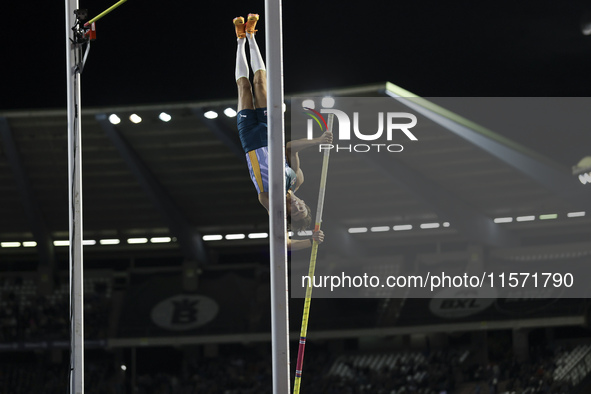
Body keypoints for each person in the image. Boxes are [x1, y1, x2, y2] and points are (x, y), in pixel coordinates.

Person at [233, 13, 332, 250]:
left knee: (245, 87)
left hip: (250, 140)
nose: (297, 208)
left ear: (287, 213)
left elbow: (283, 243)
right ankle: (251, 35)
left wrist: (308, 242)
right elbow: (289, 148)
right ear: (305, 204)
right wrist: (318, 140)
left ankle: (239, 40)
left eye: (294, 213)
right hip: (270, 134)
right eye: (302, 209)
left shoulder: (271, 202)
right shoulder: (296, 179)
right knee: (260, 83)